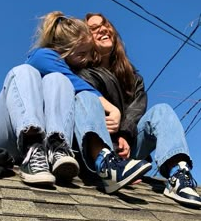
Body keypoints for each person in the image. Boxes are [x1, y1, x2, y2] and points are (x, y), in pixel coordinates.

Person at [0, 11, 151, 194]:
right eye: (82, 54)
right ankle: (32, 145)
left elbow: (71, 82)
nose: (87, 58)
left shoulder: (66, 75)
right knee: (24, 72)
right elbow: (60, 71)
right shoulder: (43, 56)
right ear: (64, 51)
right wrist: (110, 107)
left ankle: (57, 148)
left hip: (45, 148)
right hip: (7, 139)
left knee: (58, 79)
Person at [76, 12, 201, 208]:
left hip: (131, 146)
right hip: (99, 150)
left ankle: (178, 175)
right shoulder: (83, 74)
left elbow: (137, 109)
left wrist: (125, 134)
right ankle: (111, 168)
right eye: (93, 28)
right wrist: (115, 141)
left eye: (105, 25)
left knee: (162, 111)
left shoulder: (133, 78)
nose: (102, 29)